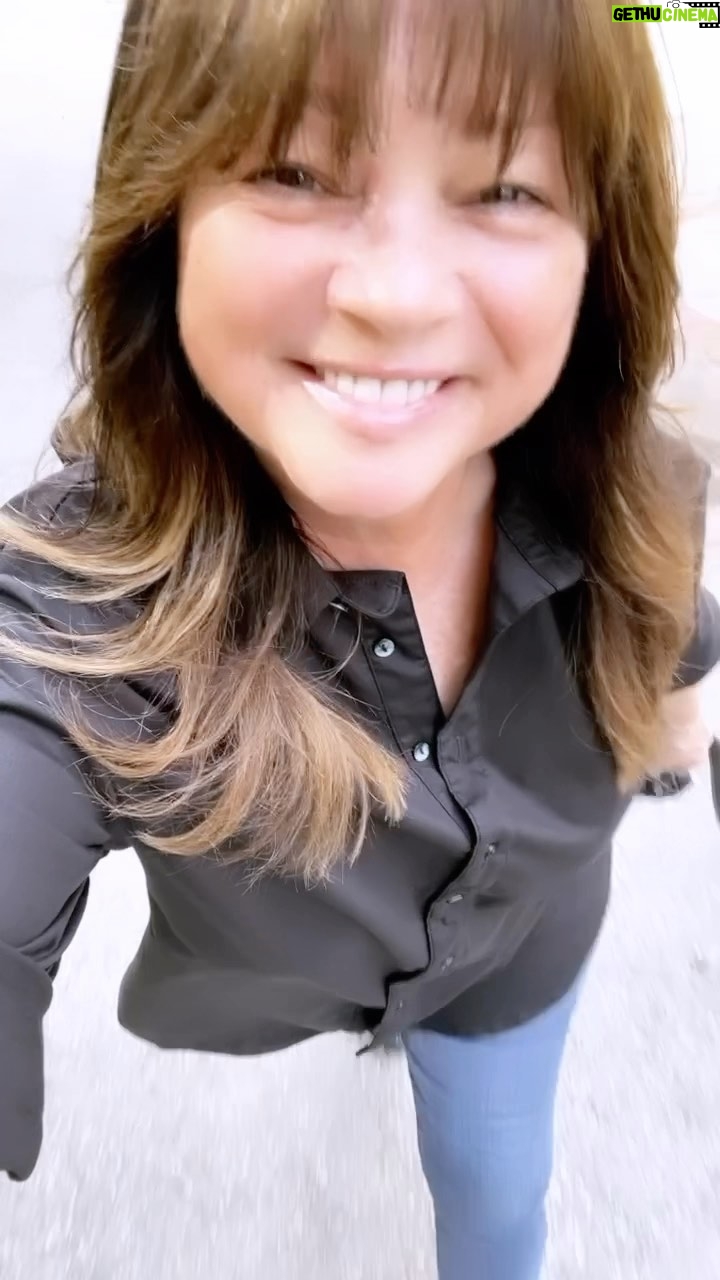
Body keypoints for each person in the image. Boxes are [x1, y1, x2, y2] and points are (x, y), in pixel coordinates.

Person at [1, 0, 718, 1275]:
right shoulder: (79, 615)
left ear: (597, 252)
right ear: (162, 209)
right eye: (294, 169)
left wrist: (669, 731)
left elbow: (681, 645)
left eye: (505, 188)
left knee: (497, 1198)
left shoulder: (630, 486)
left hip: (525, 952)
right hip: (294, 984)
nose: (392, 295)